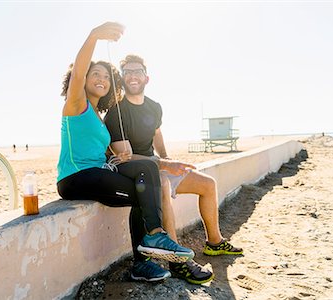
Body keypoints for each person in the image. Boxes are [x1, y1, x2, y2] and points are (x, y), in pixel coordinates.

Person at [56, 22, 194, 283]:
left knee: (148, 170)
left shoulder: (99, 116)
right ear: (83, 78)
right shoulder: (75, 104)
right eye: (95, 74)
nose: (102, 79)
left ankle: (149, 248)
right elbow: (78, 72)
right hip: (76, 177)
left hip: (99, 171)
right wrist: (94, 35)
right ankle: (148, 250)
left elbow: (104, 153)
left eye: (107, 77)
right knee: (145, 195)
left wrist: (120, 158)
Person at [104, 54, 243, 285]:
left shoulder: (154, 107)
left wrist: (166, 156)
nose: (132, 76)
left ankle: (215, 243)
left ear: (146, 78)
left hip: (158, 164)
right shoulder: (116, 113)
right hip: (140, 171)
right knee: (164, 184)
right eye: (127, 72)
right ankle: (178, 263)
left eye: (137, 71)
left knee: (208, 184)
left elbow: (156, 132)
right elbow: (125, 157)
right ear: (122, 79)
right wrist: (165, 164)